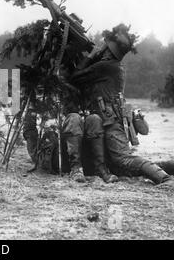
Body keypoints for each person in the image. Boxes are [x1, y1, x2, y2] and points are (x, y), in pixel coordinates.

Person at [70, 24, 174, 187]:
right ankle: (167, 168)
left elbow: (75, 76)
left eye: (104, 47)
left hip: (110, 124)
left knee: (123, 161)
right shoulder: (113, 67)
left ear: (108, 51)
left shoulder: (105, 66)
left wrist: (90, 56)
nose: (101, 49)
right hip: (107, 122)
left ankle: (163, 177)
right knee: (118, 165)